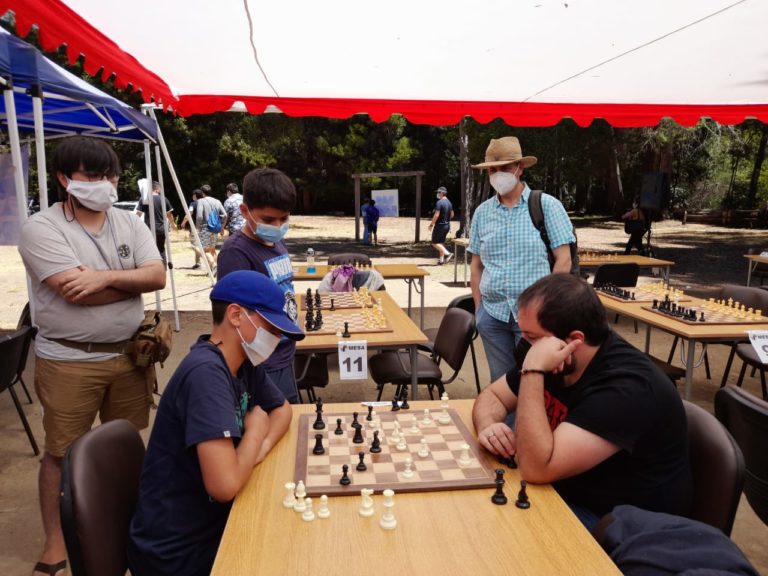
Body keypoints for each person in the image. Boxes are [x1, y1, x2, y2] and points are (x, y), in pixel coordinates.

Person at [17, 136, 166, 576]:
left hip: (129, 356)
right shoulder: (42, 228)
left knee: (124, 443)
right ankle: (56, 540)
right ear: (65, 179)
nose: (105, 184)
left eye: (110, 175)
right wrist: (127, 284)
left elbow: (156, 275)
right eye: (92, 176)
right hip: (69, 359)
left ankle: (126, 526)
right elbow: (74, 295)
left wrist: (100, 278)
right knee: (61, 453)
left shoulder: (129, 222)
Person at [472, 274, 691, 531]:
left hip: (618, 524)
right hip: (559, 490)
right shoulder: (548, 355)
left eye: (533, 338)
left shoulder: (627, 388)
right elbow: (493, 396)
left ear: (575, 340)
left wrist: (532, 372)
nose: (525, 346)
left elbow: (535, 469)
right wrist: (488, 425)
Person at [127, 270, 303, 576]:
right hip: (178, 551)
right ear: (236, 315)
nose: (276, 339)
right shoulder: (206, 375)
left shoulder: (241, 363)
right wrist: (255, 433)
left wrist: (254, 451)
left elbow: (283, 410)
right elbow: (224, 485)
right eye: (271, 328)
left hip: (210, 522)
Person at [469, 136, 575, 382]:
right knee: (501, 382)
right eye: (492, 170)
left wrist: (546, 309)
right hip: (493, 314)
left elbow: (564, 261)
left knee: (533, 380)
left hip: (535, 316)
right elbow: (476, 265)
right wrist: (479, 310)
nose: (497, 175)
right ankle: (506, 422)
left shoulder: (547, 206)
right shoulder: (482, 213)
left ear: (520, 167)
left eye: (504, 168)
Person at [217, 168, 302, 403]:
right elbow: (233, 317)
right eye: (268, 219)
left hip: (284, 352)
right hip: (261, 359)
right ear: (245, 211)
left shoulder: (276, 241)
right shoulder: (236, 252)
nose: (278, 225)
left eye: (283, 219)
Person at [139, 181, 175, 263]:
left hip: (148, 228)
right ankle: (163, 268)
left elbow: (138, 214)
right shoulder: (163, 199)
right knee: (161, 249)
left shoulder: (144, 199)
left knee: (149, 250)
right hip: (161, 229)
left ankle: (151, 268)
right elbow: (169, 215)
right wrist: (173, 224)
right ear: (157, 189)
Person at [195, 184, 228, 272]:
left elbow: (199, 217)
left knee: (203, 250)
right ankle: (218, 269)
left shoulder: (201, 201)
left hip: (205, 228)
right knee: (212, 250)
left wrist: (197, 228)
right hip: (215, 228)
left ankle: (214, 265)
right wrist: (221, 227)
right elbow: (225, 215)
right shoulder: (217, 201)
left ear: (202, 193)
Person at [428, 186, 454, 264]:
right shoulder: (449, 202)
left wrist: (431, 225)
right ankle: (441, 260)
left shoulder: (439, 203)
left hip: (440, 226)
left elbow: (436, 215)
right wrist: (446, 219)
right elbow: (452, 214)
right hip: (447, 226)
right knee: (441, 242)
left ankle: (448, 254)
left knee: (434, 242)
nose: (437, 194)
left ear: (442, 193)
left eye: (438, 192)